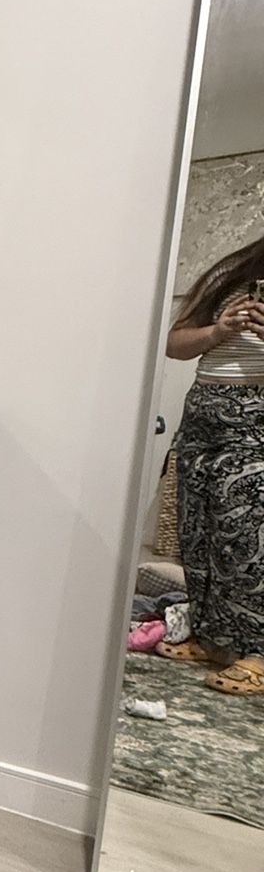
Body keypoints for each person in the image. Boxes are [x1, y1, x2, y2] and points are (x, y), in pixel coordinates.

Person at [161, 234, 264, 695]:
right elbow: (174, 344)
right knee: (198, 532)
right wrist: (218, 332)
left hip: (257, 422)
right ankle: (215, 640)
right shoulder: (231, 273)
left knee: (248, 540)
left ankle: (258, 654)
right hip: (202, 416)